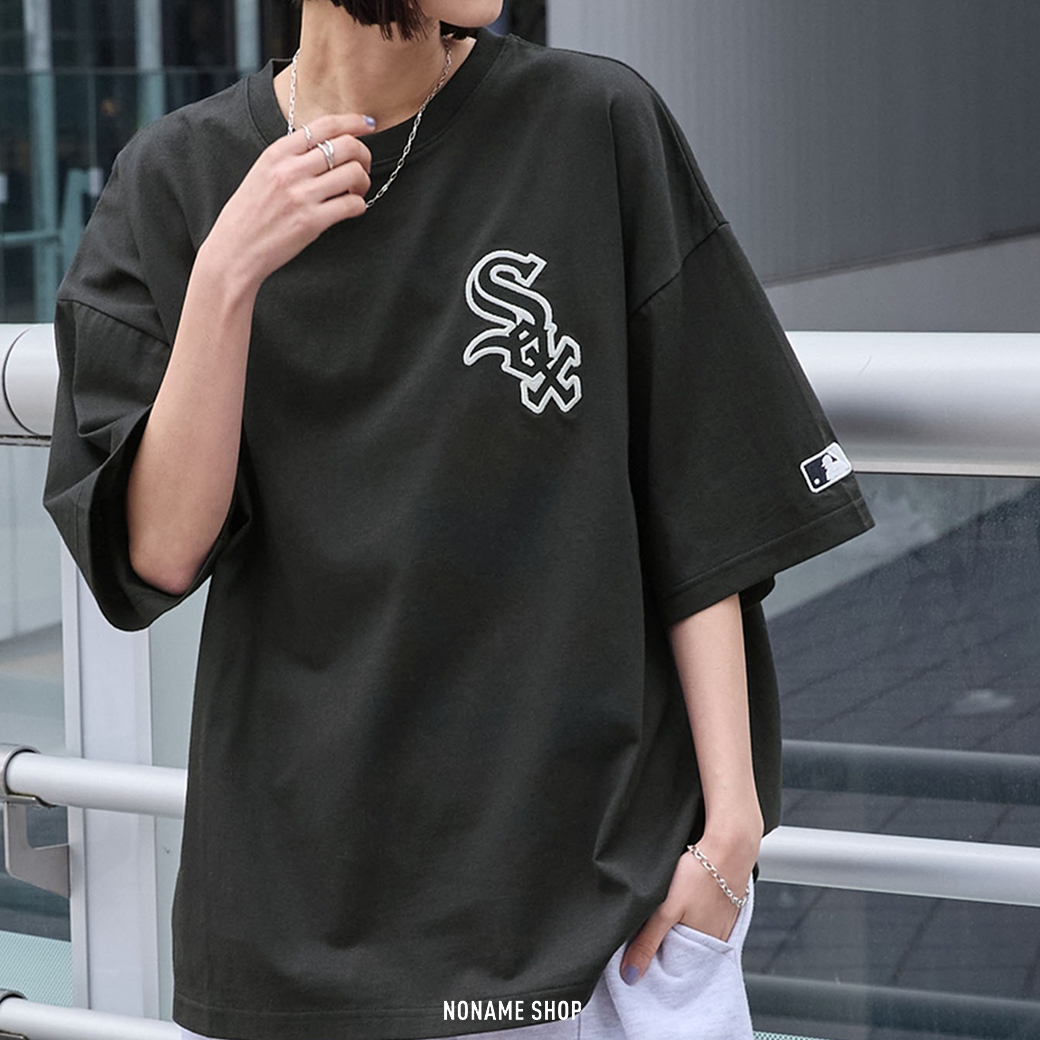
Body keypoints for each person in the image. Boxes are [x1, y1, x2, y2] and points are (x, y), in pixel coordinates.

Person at [42, 1, 876, 1038]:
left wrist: (732, 826)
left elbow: (700, 488)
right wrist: (225, 278)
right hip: (305, 931)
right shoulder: (174, 180)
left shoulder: (590, 123)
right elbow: (158, 553)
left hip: (602, 923)